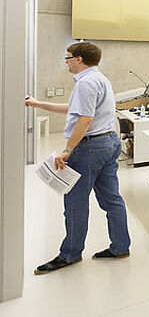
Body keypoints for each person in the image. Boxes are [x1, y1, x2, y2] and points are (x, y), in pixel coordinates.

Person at [26, 42, 130, 274]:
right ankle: (121, 247)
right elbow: (73, 109)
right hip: (108, 143)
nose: (66, 61)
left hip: (90, 148)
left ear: (79, 59)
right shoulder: (99, 79)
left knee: (75, 203)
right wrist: (36, 104)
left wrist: (67, 149)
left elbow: (84, 119)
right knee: (112, 199)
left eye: (68, 57)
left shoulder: (86, 83)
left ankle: (70, 254)